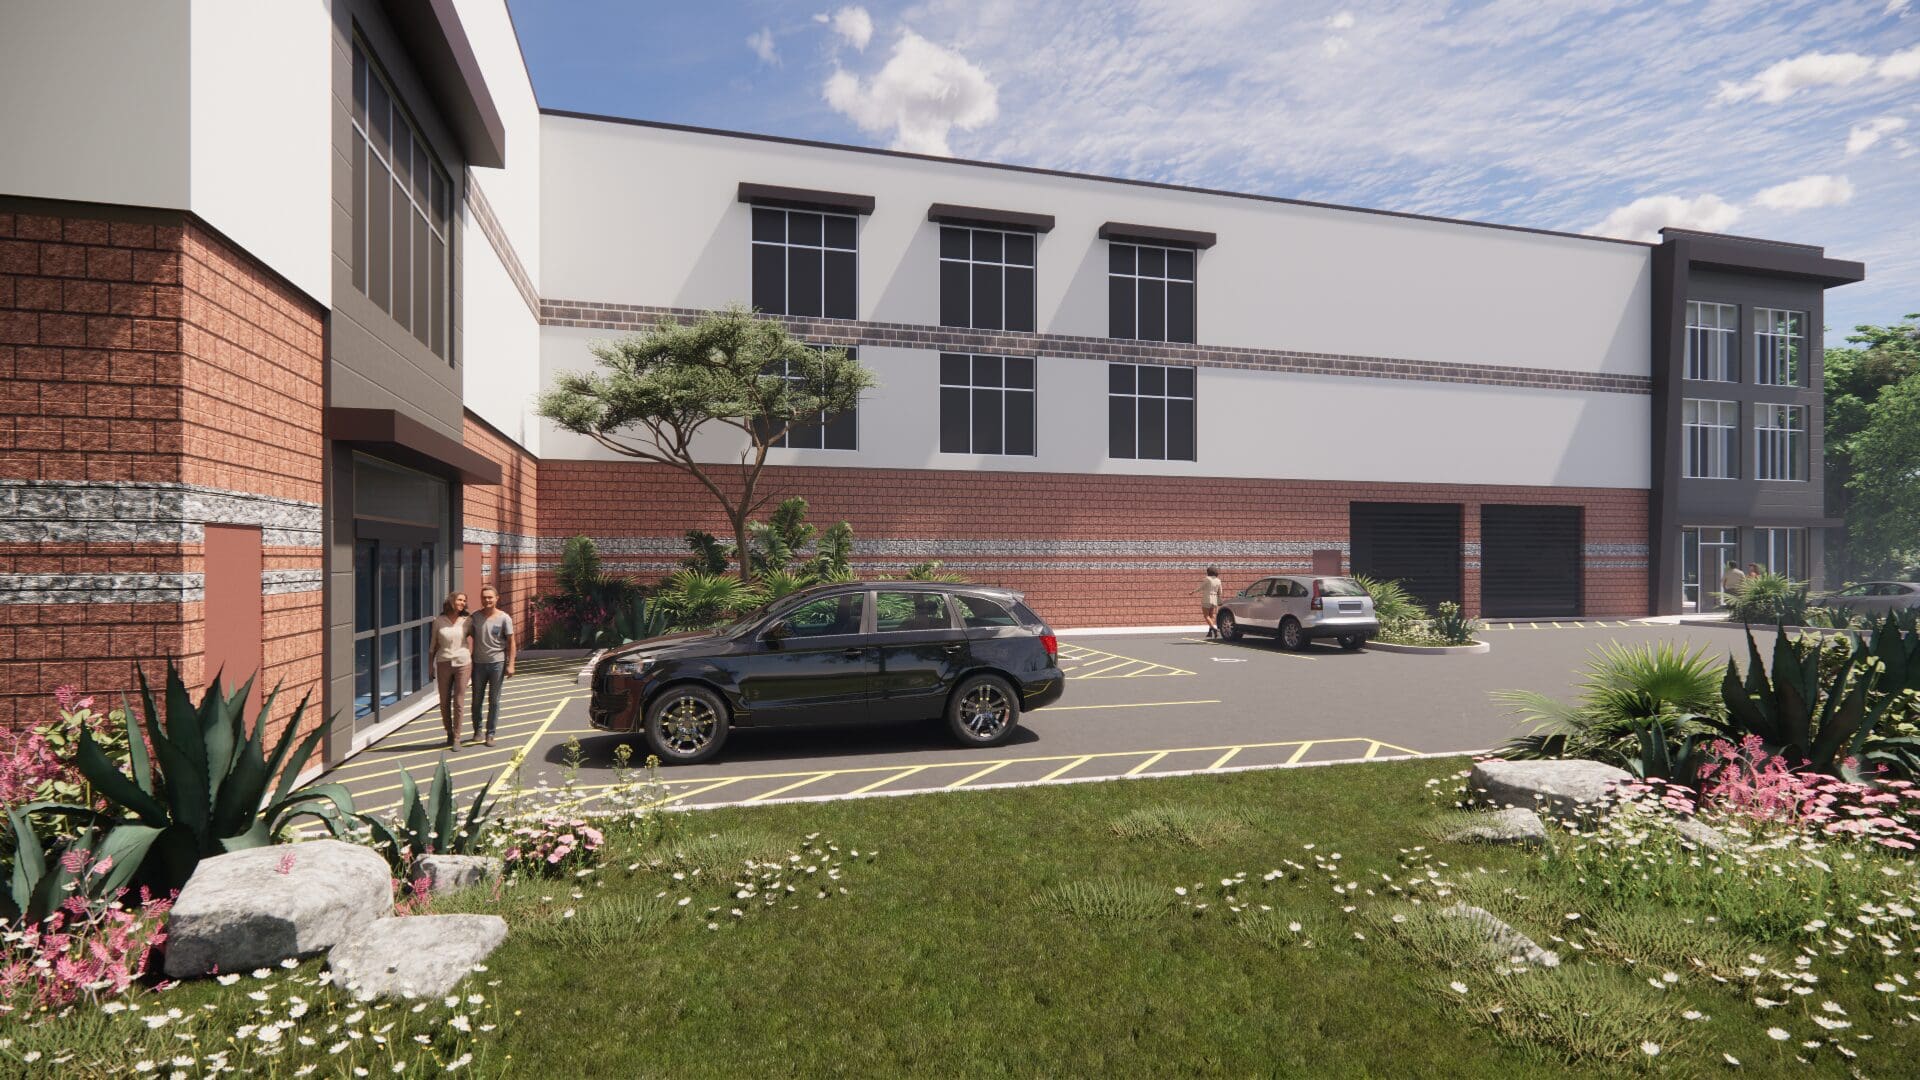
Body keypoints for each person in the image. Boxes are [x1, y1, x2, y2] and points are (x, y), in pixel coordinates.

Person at [466, 584, 515, 747]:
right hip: (479, 665)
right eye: (484, 597)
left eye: (490, 597)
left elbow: (511, 642)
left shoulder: (504, 618)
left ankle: (490, 733)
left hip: (497, 664)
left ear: (496, 599)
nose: (487, 600)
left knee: (494, 700)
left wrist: (511, 664)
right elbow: (463, 633)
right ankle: (477, 731)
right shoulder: (475, 617)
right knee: (476, 700)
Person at [428, 592, 470, 750]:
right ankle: (449, 732)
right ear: (451, 600)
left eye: (464, 601)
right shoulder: (439, 621)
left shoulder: (467, 620)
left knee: (459, 701)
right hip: (443, 662)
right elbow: (433, 646)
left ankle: (457, 737)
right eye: (460, 599)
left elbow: (479, 638)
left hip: (463, 663)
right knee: (444, 701)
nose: (462, 603)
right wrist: (429, 666)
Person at [1194, 566, 1224, 638]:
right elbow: (1220, 592)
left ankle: (1214, 629)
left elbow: (1201, 587)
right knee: (1211, 616)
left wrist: (1193, 592)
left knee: (1206, 616)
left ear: (1208, 572)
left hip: (1207, 599)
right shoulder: (1218, 580)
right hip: (1214, 599)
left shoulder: (1207, 579)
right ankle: (1210, 631)